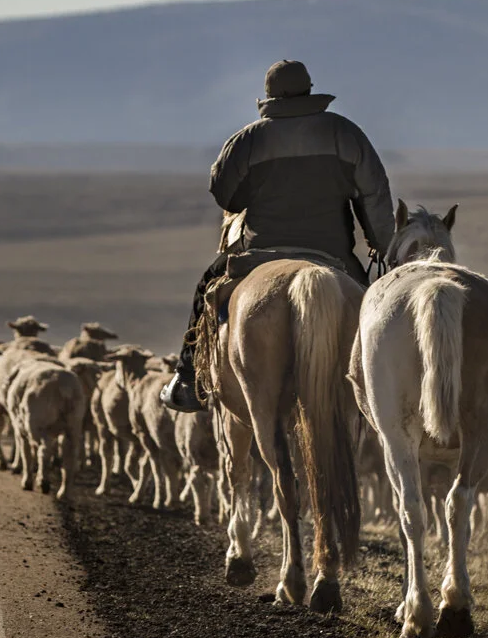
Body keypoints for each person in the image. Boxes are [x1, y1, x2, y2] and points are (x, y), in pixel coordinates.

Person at [161, 59, 395, 413]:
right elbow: (374, 194)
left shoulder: (248, 139)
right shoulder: (345, 133)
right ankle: (388, 384)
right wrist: (382, 242)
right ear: (309, 89)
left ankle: (189, 379)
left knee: (206, 288)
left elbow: (227, 196)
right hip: (333, 254)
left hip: (259, 252)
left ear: (268, 96)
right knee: (371, 313)